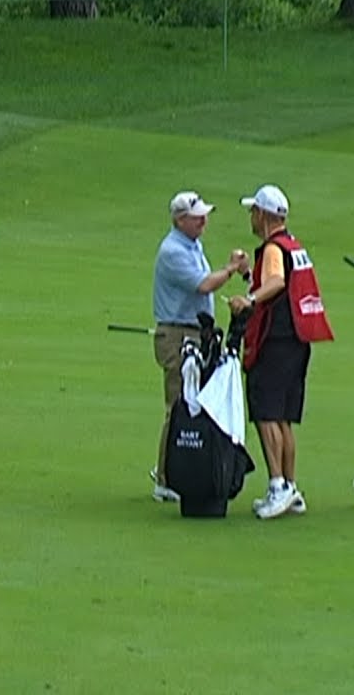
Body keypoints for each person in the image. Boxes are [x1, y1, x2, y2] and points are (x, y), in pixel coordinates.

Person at [228, 184, 334, 520]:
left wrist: (249, 300)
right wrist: (248, 274)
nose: (251, 217)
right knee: (284, 416)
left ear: (263, 215)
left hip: (275, 339)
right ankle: (289, 486)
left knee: (267, 413)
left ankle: (278, 486)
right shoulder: (293, 246)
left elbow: (275, 283)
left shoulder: (274, 248)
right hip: (296, 339)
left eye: (253, 211)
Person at [151, 191, 249, 502]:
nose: (204, 221)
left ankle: (180, 468)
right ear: (180, 220)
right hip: (177, 336)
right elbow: (204, 284)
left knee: (193, 404)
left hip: (193, 334)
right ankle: (165, 477)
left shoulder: (192, 246)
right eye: (197, 217)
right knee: (179, 406)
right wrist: (231, 269)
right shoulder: (173, 251)